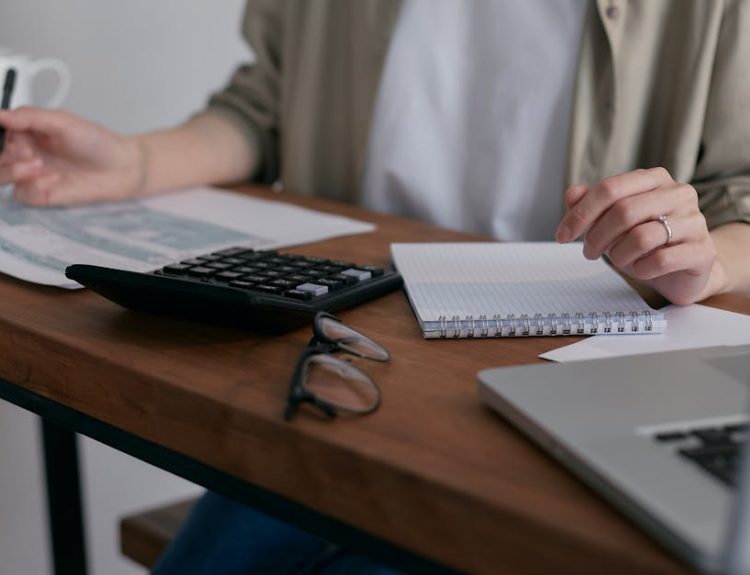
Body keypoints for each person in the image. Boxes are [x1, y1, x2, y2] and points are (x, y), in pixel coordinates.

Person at [1, 1, 749, 573]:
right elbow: (264, 112)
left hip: (584, 375)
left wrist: (707, 260)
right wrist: (130, 163)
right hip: (351, 360)